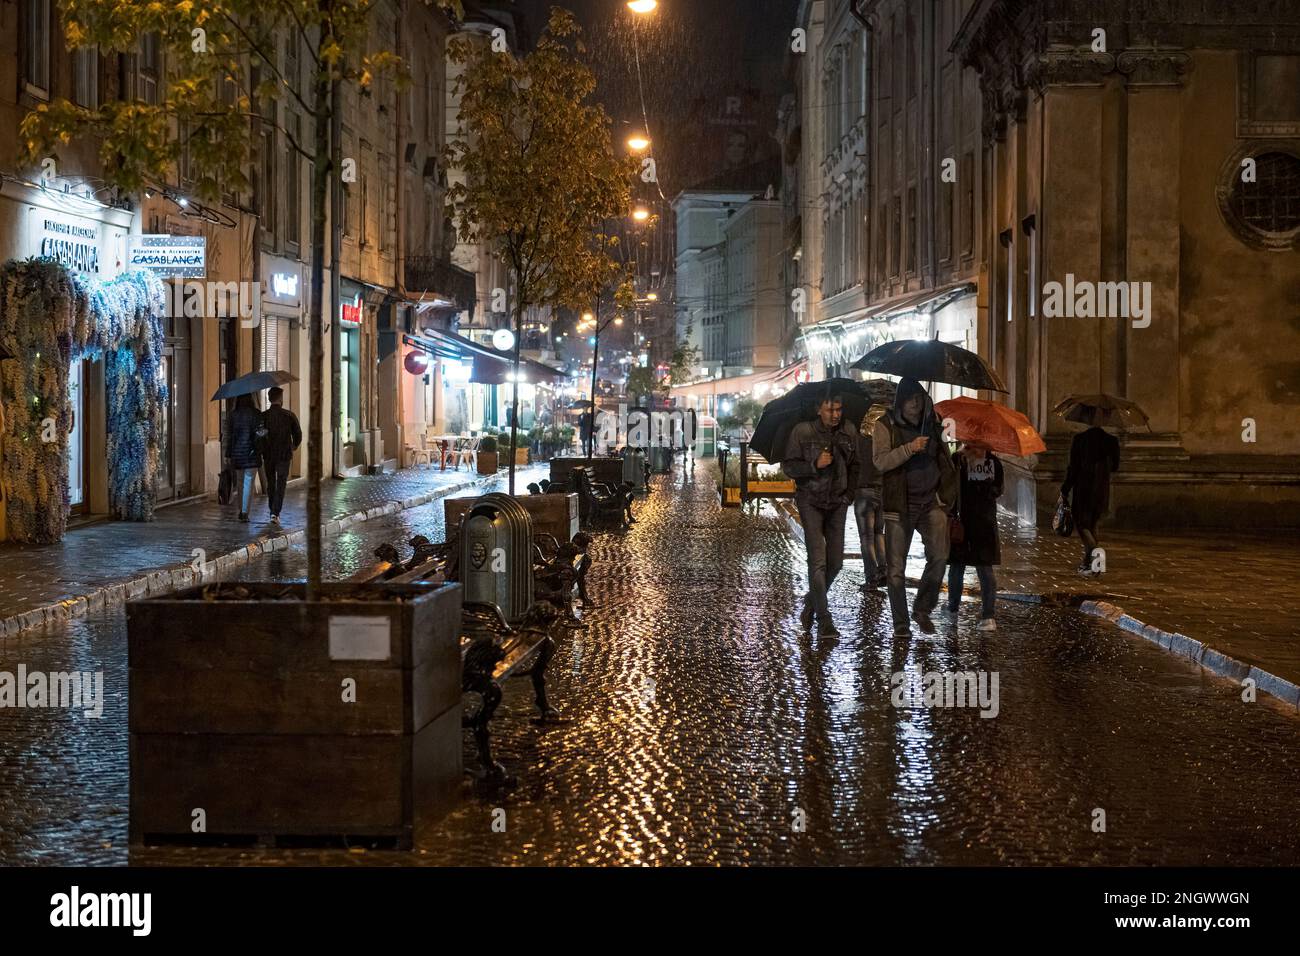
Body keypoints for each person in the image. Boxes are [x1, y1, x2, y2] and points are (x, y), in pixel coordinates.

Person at [873, 378, 959, 637]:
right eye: (910, 399)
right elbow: (880, 462)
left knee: (940, 557)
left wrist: (947, 495)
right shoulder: (884, 426)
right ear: (901, 401)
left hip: (931, 501)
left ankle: (922, 608)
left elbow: (947, 452)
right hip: (900, 505)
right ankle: (901, 624)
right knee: (896, 569)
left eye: (919, 399)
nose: (915, 404)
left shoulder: (933, 424)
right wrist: (910, 448)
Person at [782, 391, 860, 638]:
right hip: (811, 501)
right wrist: (814, 465)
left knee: (836, 563)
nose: (836, 414)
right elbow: (789, 466)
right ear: (818, 409)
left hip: (837, 502)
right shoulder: (802, 432)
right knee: (818, 561)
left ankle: (811, 602)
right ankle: (824, 619)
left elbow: (857, 464)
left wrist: (849, 495)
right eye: (830, 409)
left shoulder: (848, 431)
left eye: (839, 409)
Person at [944, 444, 1003, 631]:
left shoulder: (958, 460)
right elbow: (998, 490)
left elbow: (947, 488)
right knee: (982, 568)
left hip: (966, 521)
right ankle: (988, 617)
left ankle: (953, 610)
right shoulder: (994, 462)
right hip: (984, 522)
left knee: (958, 567)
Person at [1060, 423, 1121, 575]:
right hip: (1102, 488)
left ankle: (1096, 556)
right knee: (1093, 524)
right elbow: (1115, 466)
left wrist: (1065, 489)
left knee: (1081, 525)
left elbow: (1073, 468)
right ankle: (1089, 564)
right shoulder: (1111, 440)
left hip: (1083, 488)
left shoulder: (1080, 439)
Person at [853, 410, 886, 592]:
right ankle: (883, 571)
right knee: (879, 533)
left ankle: (871, 579)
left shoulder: (858, 441)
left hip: (864, 490)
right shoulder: (882, 442)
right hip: (881, 489)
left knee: (866, 537)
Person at [261, 386, 302, 524]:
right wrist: (294, 445)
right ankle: (275, 512)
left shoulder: (264, 416)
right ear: (280, 399)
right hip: (284, 454)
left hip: (269, 455)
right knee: (281, 483)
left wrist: (262, 448)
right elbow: (298, 434)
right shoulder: (289, 415)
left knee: (271, 482)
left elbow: (259, 435)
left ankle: (272, 509)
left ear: (269, 398)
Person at [225, 393, 264, 522]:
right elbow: (260, 432)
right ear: (251, 399)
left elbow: (229, 436)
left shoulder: (233, 415)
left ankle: (241, 509)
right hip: (251, 453)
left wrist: (228, 454)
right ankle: (245, 512)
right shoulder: (256, 413)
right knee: (248, 483)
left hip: (237, 454)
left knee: (241, 483)